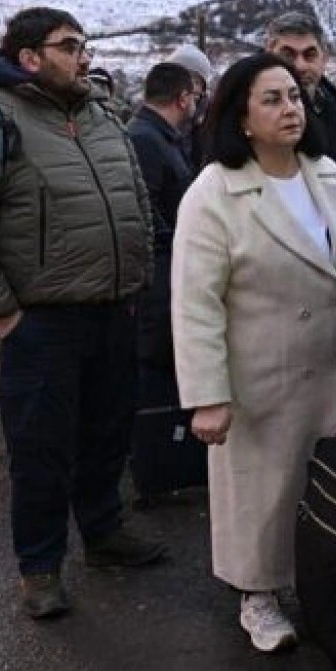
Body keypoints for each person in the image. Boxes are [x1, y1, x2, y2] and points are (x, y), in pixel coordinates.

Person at [0, 6, 166, 621]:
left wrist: (137, 276)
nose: (83, 57)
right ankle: (39, 566)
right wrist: (4, 314)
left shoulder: (103, 117)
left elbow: (136, 202)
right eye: (69, 46)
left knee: (108, 432)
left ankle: (104, 531)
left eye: (85, 45)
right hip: (41, 323)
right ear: (29, 57)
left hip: (113, 310)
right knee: (41, 451)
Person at [171, 52, 336, 653]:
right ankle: (257, 595)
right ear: (241, 117)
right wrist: (207, 396)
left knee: (333, 490)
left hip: (335, 369)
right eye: (272, 99)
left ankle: (328, 590)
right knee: (264, 494)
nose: (291, 109)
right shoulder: (215, 193)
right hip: (263, 378)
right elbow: (195, 302)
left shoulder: (325, 173)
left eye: (294, 97)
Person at [264, 12, 336, 297]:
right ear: (269, 54)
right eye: (288, 55)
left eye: (309, 54)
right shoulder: (251, 119)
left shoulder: (334, 112)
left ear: (323, 58)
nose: (300, 65)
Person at [127, 62, 199, 493]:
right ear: (183, 98)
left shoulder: (161, 137)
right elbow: (146, 214)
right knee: (155, 377)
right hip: (158, 282)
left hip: (170, 272)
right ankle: (155, 472)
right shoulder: (145, 140)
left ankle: (169, 467)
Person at [164, 43, 213, 172]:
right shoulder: (157, 117)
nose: (192, 87)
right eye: (185, 79)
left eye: (197, 81)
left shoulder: (212, 119)